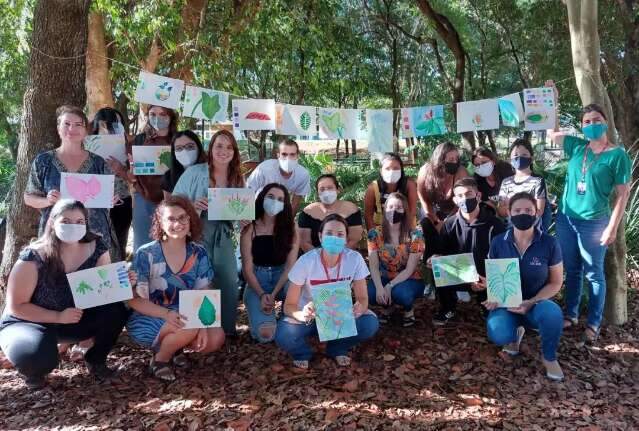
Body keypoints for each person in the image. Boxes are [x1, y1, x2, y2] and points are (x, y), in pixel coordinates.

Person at [0, 200, 128, 389]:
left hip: (73, 319)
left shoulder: (97, 246)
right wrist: (58, 316)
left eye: (79, 222)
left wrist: (123, 281)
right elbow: (17, 306)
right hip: (28, 321)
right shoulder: (33, 257)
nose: (73, 226)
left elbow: (105, 291)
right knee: (37, 357)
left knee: (116, 310)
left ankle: (96, 360)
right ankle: (35, 374)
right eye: (66, 221)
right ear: (52, 222)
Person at [547, 80, 631, 343]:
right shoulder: (577, 146)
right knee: (572, 269)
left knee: (594, 273)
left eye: (595, 119)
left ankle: (593, 323)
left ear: (605, 122)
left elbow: (623, 194)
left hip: (595, 223)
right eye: (586, 121)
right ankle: (571, 314)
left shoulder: (617, 155)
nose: (590, 123)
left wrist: (612, 227)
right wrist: (553, 99)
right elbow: (553, 132)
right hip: (566, 219)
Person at [127, 196, 225, 382]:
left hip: (187, 315)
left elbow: (204, 293)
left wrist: (203, 325)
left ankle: (175, 347)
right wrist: (166, 314)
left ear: (190, 220)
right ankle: (160, 359)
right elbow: (134, 300)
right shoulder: (146, 253)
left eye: (183, 218)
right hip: (151, 315)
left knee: (216, 337)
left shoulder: (198, 252)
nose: (178, 223)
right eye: (171, 219)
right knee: (188, 327)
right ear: (160, 223)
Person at [275, 214, 379, 369]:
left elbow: (363, 298)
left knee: (370, 323)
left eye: (340, 235)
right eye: (329, 233)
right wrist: (302, 315)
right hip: (309, 318)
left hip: (338, 315)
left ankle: (337, 348)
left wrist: (359, 308)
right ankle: (303, 353)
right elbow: (288, 306)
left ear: (346, 239)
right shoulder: (306, 261)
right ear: (320, 236)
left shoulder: (355, 259)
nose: (334, 238)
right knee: (284, 334)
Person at [483, 192, 564, 381]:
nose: (523, 214)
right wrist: (491, 294)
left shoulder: (549, 243)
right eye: (517, 210)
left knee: (553, 314)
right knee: (497, 333)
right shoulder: (498, 242)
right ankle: (513, 337)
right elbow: (494, 277)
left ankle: (549, 357)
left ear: (536, 213)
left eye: (528, 210)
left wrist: (532, 302)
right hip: (507, 304)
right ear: (509, 214)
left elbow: (556, 282)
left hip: (536, 304)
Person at [172, 129, 244, 336]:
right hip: (197, 234)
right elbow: (172, 205)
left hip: (224, 236)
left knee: (228, 281)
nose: (224, 151)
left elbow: (239, 213)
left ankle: (225, 331)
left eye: (229, 147)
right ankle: (197, 331)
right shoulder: (194, 172)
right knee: (200, 281)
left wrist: (243, 217)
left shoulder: (237, 178)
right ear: (211, 148)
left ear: (234, 151)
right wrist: (192, 207)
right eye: (219, 145)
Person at [24, 105, 115, 249]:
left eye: (78, 124)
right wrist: (47, 200)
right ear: (58, 128)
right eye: (67, 124)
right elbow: (29, 198)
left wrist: (110, 199)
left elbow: (108, 200)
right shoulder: (43, 162)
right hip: (57, 237)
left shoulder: (98, 163)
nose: (72, 129)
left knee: (93, 271)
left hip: (95, 236)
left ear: (85, 131)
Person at [428, 177, 506, 325]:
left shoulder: (495, 225)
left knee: (494, 313)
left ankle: (486, 303)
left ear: (478, 196)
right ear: (455, 200)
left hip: (486, 277)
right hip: (462, 272)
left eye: (469, 194)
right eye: (460, 196)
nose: (464, 198)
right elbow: (441, 252)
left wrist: (488, 282)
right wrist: (434, 258)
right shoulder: (449, 224)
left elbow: (503, 260)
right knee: (437, 268)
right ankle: (448, 307)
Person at [240, 183, 299, 343]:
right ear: (262, 198)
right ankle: (269, 318)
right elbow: (247, 269)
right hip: (256, 281)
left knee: (301, 314)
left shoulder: (291, 227)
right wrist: (262, 294)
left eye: (280, 199)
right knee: (266, 335)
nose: (275, 202)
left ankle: (283, 313)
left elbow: (290, 266)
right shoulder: (249, 228)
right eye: (271, 197)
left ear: (285, 204)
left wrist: (272, 295)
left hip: (283, 279)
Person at [366, 192, 425, 327]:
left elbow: (410, 269)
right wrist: (381, 288)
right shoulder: (374, 234)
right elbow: (373, 266)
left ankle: (408, 310)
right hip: (384, 275)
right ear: (385, 209)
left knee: (402, 294)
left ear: (404, 211)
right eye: (390, 207)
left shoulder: (415, 235)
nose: (394, 210)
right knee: (371, 293)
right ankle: (387, 307)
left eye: (398, 207)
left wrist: (389, 286)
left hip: (409, 278)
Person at [128, 105, 178, 251]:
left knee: (171, 242)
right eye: (153, 114)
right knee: (143, 243)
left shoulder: (179, 139)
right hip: (144, 197)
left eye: (163, 114)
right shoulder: (140, 139)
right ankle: (142, 273)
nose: (157, 118)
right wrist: (129, 174)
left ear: (171, 117)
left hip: (173, 197)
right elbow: (130, 172)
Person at [89, 107, 133, 259]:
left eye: (119, 124)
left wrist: (122, 170)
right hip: (95, 204)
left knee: (119, 243)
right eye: (111, 124)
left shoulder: (129, 145)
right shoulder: (87, 145)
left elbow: (135, 178)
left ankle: (118, 277)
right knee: (97, 245)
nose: (115, 128)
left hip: (122, 201)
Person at [417, 142, 470, 260]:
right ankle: (429, 261)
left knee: (452, 230)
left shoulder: (461, 172)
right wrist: (435, 221)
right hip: (431, 208)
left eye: (457, 158)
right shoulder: (425, 171)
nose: (455, 162)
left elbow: (463, 201)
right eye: (451, 159)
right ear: (440, 159)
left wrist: (446, 222)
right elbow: (423, 199)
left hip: (454, 208)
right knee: (427, 225)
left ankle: (452, 260)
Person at [497, 139, 552, 231]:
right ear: (509, 159)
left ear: (531, 158)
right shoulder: (506, 182)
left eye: (524, 155)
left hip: (532, 230)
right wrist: (526, 209)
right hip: (511, 230)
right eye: (515, 155)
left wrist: (512, 206)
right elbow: (501, 211)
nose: (519, 158)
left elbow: (539, 211)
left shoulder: (538, 180)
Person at [298, 174, 363, 252]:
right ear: (317, 193)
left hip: (345, 257)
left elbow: (353, 241)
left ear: (338, 190)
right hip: (314, 258)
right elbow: (304, 242)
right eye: (322, 189)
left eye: (330, 188)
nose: (326, 192)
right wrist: (319, 260)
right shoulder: (307, 212)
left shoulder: (352, 210)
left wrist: (336, 258)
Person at [247, 138, 311, 213]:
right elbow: (248, 190)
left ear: (297, 156)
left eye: (292, 154)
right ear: (278, 155)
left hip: (281, 209)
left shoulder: (302, 175)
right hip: (259, 206)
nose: (288, 159)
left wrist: (288, 222)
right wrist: (247, 218)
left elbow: (295, 202)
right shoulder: (264, 169)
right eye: (284, 154)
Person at [364, 152, 417, 230]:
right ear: (381, 171)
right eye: (387, 168)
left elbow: (412, 212)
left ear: (401, 170)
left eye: (396, 168)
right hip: (380, 229)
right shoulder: (373, 188)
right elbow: (368, 215)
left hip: (405, 227)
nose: (392, 172)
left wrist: (405, 233)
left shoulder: (409, 185)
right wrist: (373, 235)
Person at [161, 130, 207, 200]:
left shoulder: (210, 171)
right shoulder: (168, 177)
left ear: (198, 148)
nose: (185, 151)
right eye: (179, 148)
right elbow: (169, 206)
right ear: (174, 153)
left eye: (190, 146)